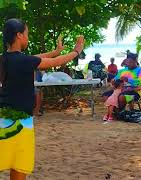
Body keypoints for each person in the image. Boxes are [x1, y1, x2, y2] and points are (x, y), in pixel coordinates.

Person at [0, 18, 85, 180]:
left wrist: (56, 50)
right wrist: (76, 51)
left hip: (2, 118)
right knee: (18, 165)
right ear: (19, 35)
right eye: (26, 34)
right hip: (20, 123)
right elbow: (54, 62)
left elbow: (37, 57)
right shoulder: (23, 61)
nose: (28, 37)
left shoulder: (5, 58)